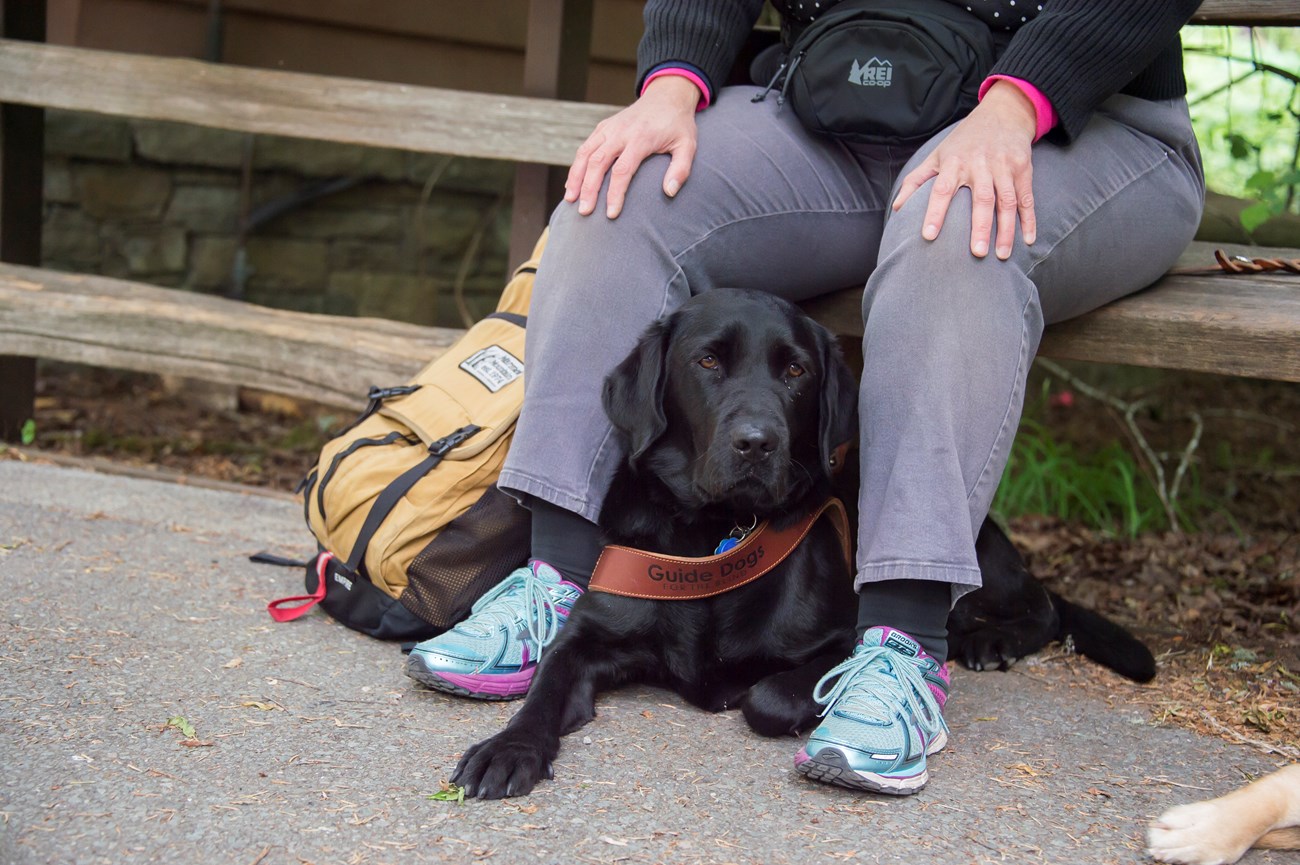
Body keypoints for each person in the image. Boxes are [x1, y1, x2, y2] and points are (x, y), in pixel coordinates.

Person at [406, 0, 1205, 793]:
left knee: (959, 225)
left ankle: (900, 648)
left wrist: (1019, 98)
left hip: (1076, 121)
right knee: (617, 191)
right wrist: (672, 83)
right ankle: (559, 584)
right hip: (828, 111)